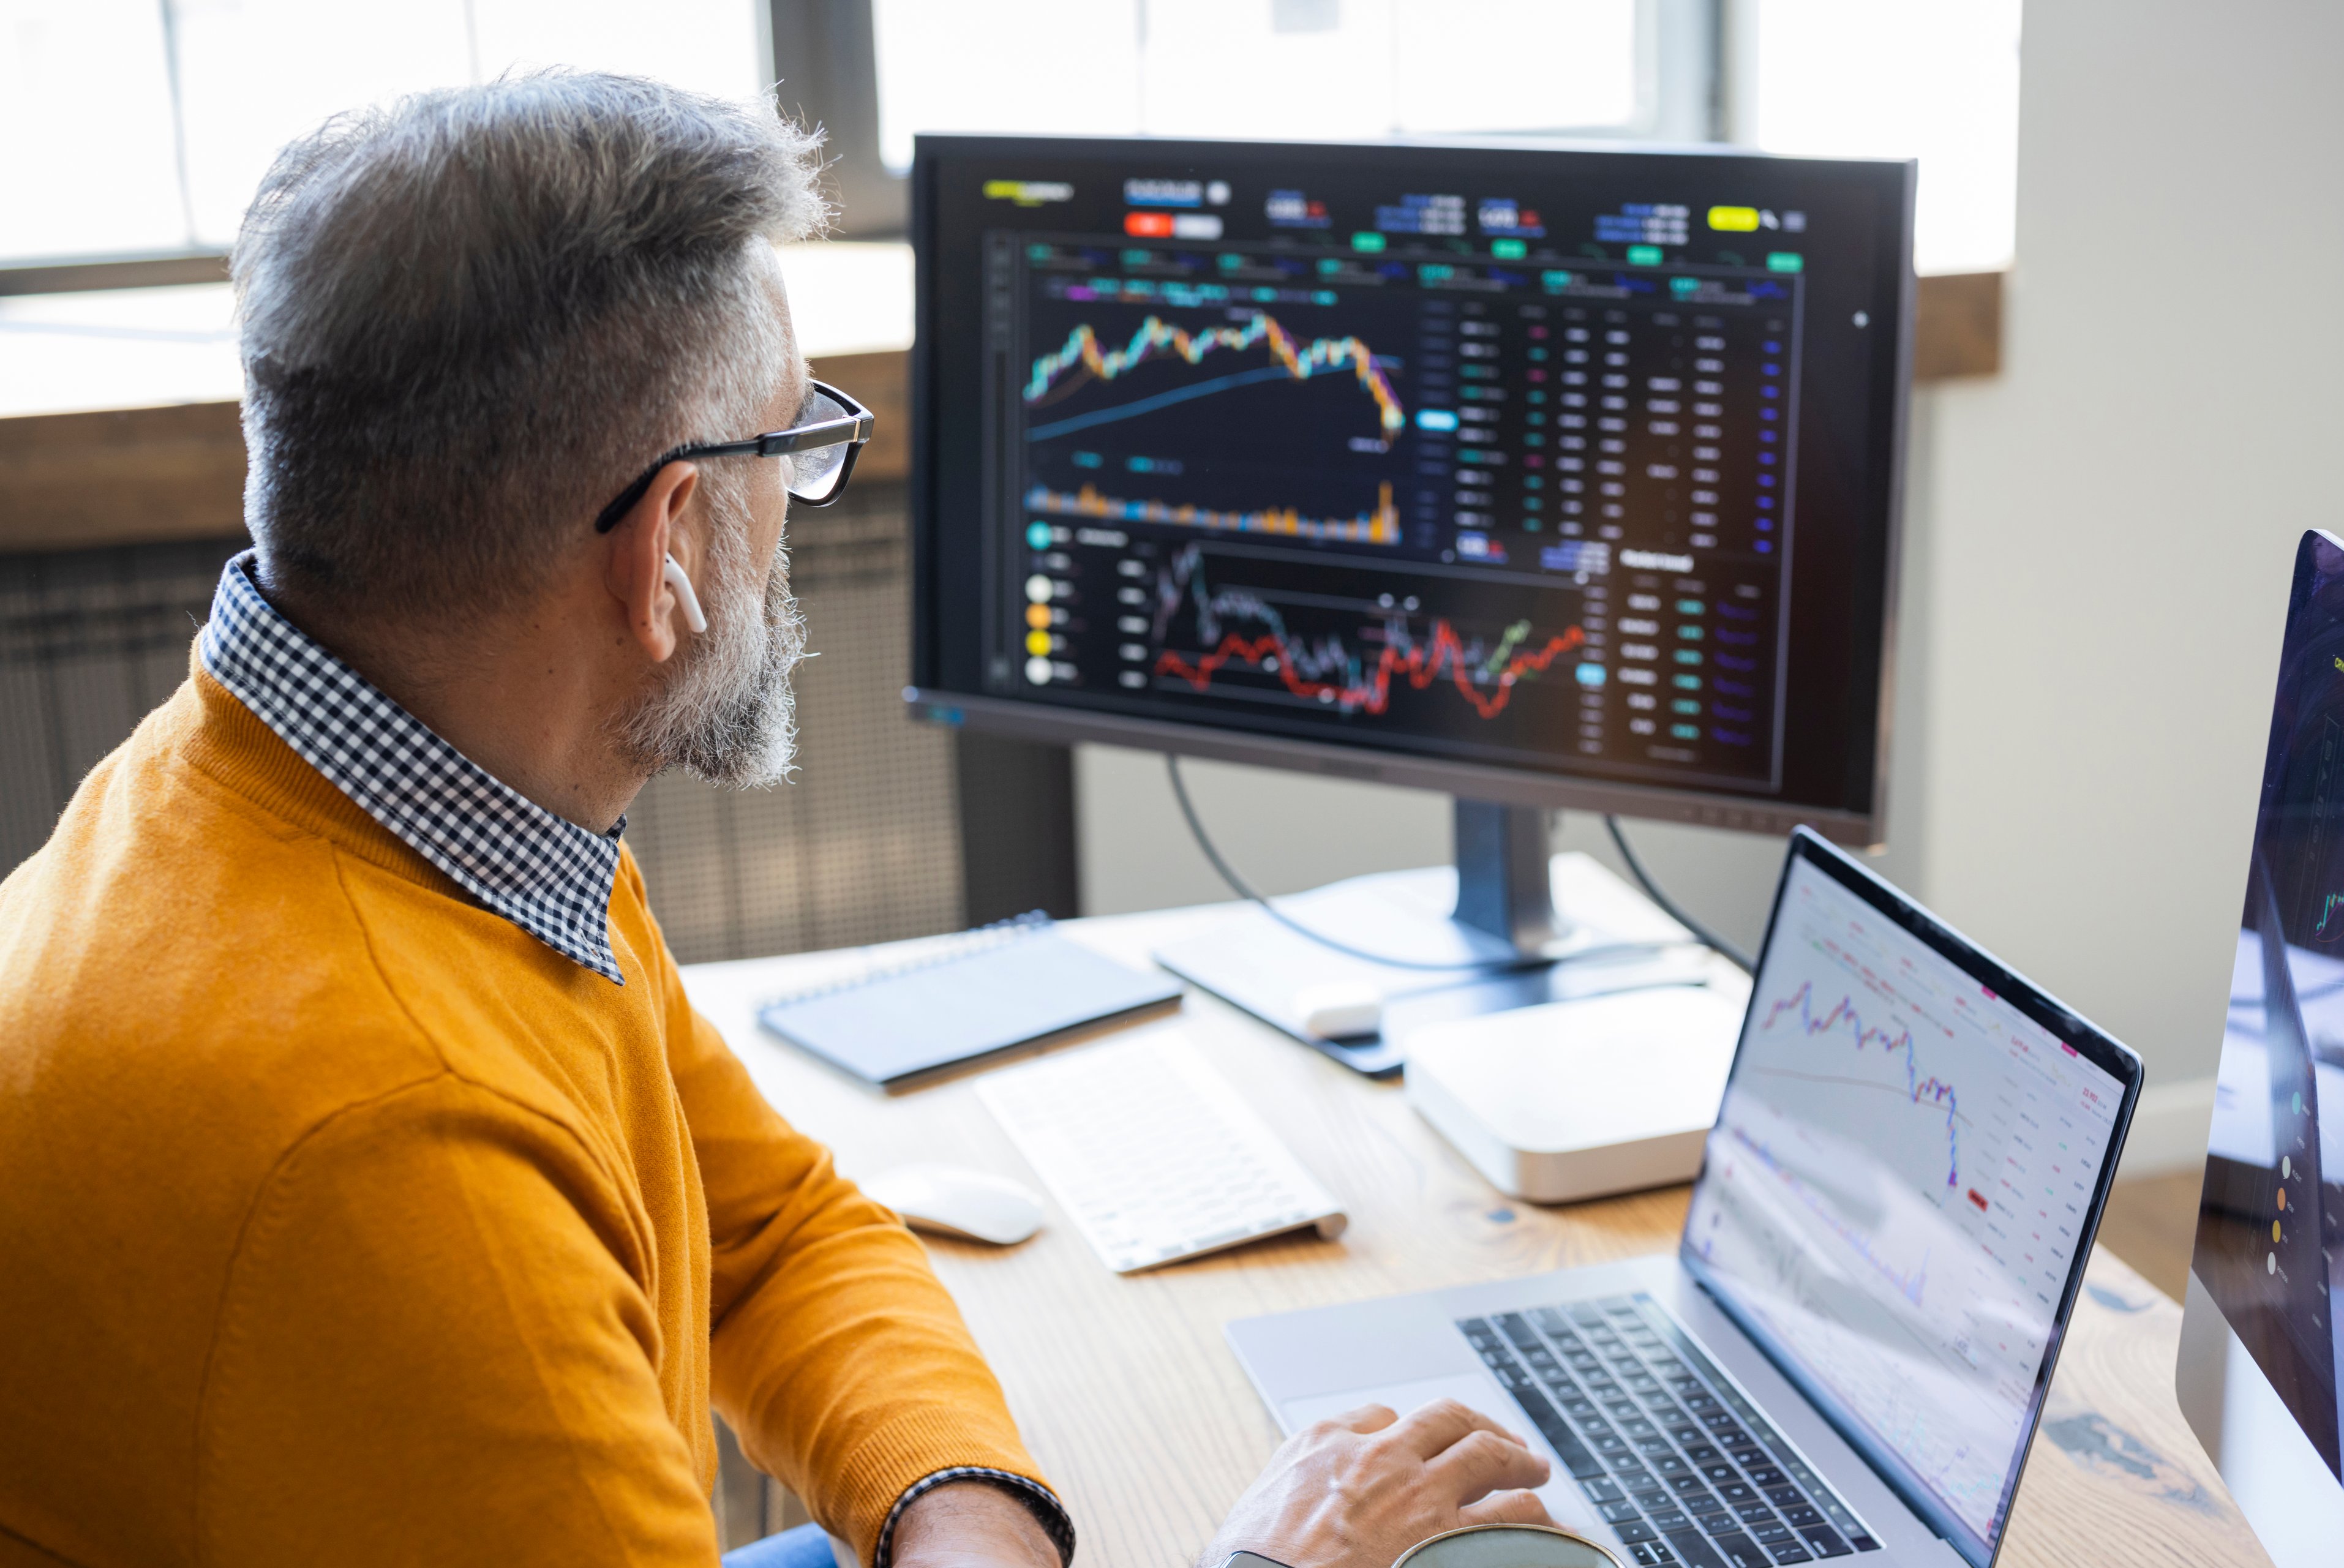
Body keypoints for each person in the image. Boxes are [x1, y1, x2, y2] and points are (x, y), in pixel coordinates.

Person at [0, 71, 1554, 1568]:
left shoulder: (384, 791)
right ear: (666, 544)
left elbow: (770, 1227)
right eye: (793, 449)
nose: (797, 515)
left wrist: (961, 1513)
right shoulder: (397, 1154)